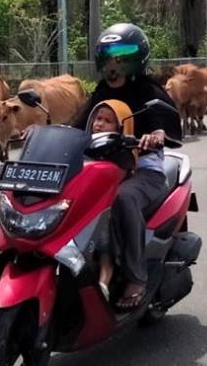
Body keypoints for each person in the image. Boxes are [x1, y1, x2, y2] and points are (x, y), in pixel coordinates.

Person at [72, 23, 182, 310]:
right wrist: (42, 131)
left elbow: (164, 122)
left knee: (123, 198)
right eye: (108, 56)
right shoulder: (100, 92)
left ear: (137, 58)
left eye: (122, 56)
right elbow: (77, 125)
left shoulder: (149, 90)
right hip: (104, 168)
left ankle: (136, 277)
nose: (114, 64)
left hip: (144, 171)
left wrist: (157, 135)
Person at [85, 100, 136, 302]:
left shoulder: (123, 154)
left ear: (120, 127)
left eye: (108, 121)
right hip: (81, 201)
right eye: (98, 118)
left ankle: (105, 279)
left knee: (103, 229)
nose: (100, 124)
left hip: (103, 205)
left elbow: (113, 182)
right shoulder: (84, 145)